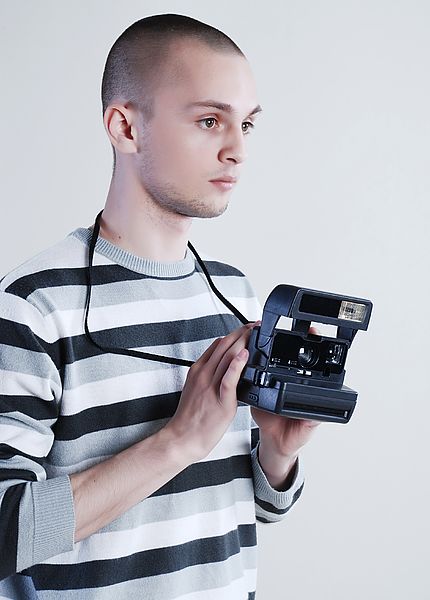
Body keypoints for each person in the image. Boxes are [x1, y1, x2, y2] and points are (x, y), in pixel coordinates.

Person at [0, 14, 319, 599]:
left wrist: (278, 452)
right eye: (209, 120)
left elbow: (252, 512)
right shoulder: (34, 306)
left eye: (247, 123)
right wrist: (179, 441)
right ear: (125, 127)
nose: (238, 149)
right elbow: (4, 533)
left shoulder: (237, 295)